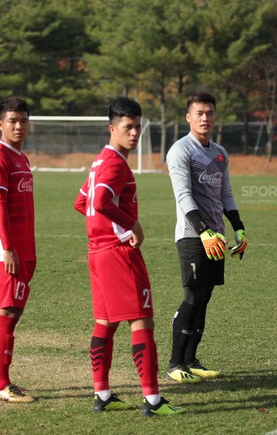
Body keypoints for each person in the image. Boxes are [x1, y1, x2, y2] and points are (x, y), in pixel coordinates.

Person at [74, 97, 183, 417]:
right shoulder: (115, 163)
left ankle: (103, 394)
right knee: (142, 320)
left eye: (137, 126)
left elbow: (82, 203)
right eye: (127, 127)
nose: (134, 133)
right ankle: (152, 400)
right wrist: (131, 225)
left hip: (98, 253)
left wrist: (101, 229)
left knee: (105, 322)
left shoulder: (99, 162)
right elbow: (102, 201)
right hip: (117, 253)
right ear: (112, 129)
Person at [165, 92, 247, 384]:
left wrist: (237, 227)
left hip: (217, 237)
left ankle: (191, 359)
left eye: (209, 113)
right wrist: (203, 231)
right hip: (192, 234)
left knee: (205, 298)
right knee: (193, 296)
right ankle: (175, 363)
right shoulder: (180, 150)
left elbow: (225, 193)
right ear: (188, 117)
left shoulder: (220, 152)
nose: (204, 118)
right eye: (198, 113)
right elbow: (183, 194)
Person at [0, 97, 36, 403]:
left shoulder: (21, 157)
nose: (18, 125)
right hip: (8, 251)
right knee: (7, 311)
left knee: (4, 311)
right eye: (12, 120)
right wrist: (10, 249)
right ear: (0, 123)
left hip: (23, 249)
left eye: (23, 120)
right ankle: (2, 384)